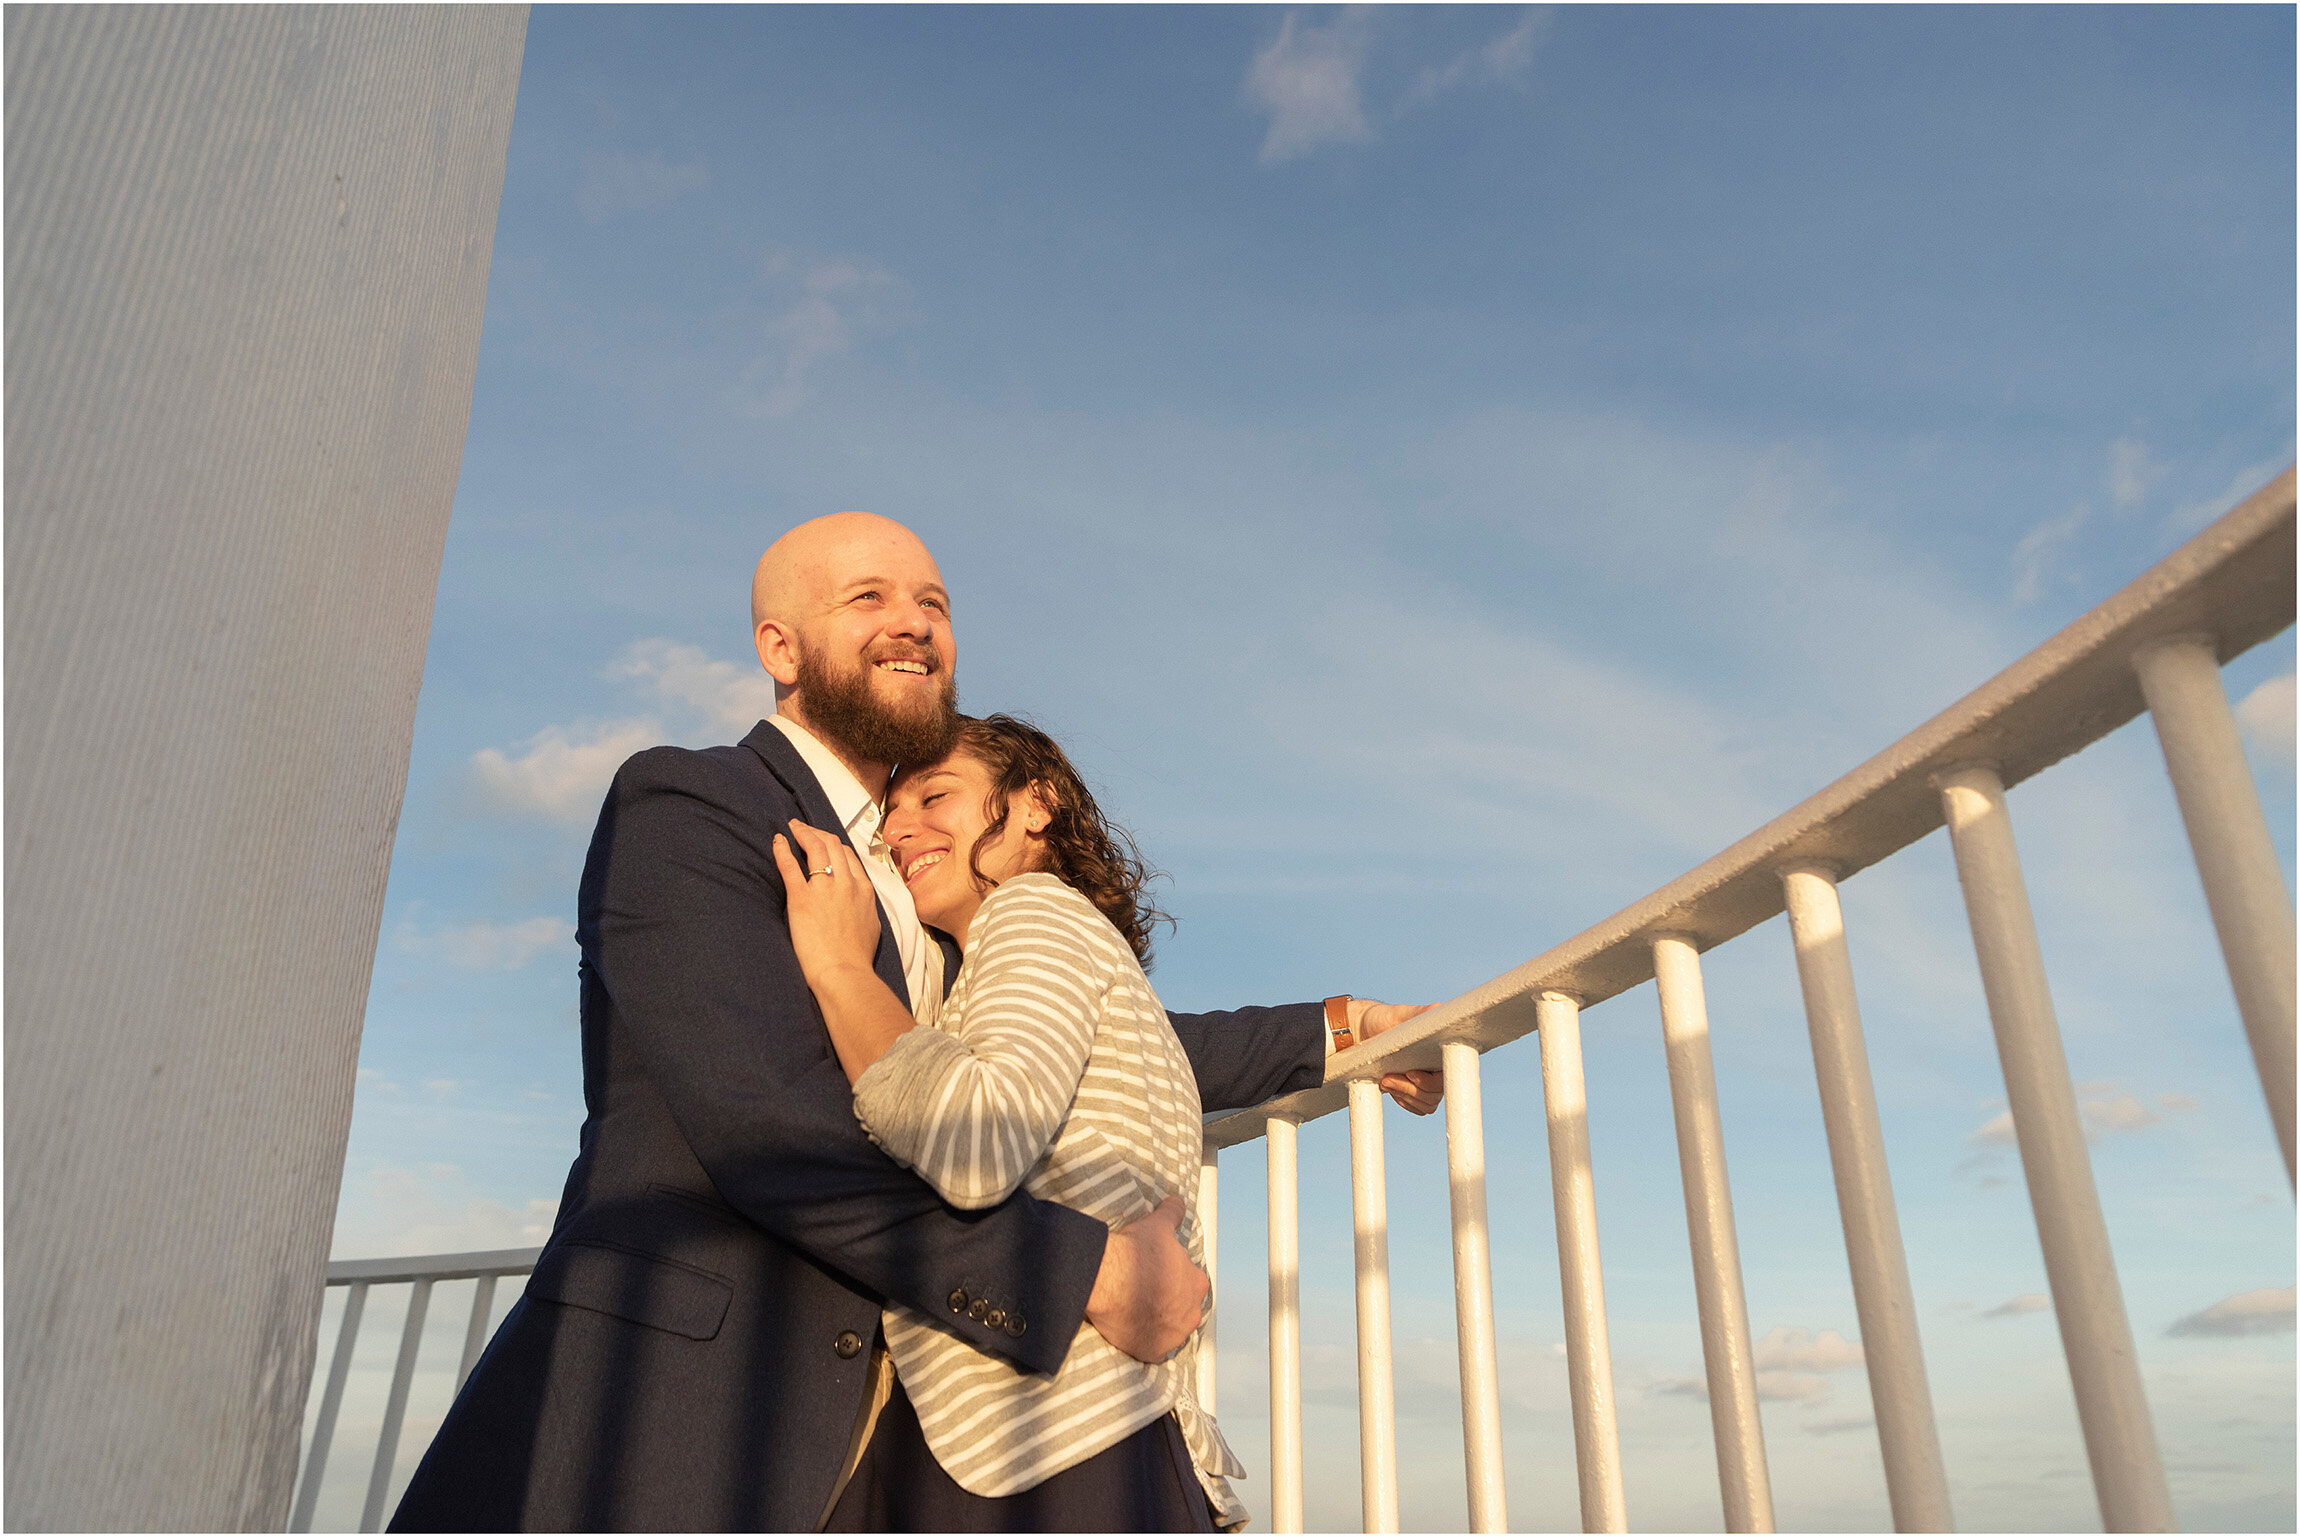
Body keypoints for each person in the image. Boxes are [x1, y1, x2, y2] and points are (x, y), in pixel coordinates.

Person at [390, 513, 1436, 1532]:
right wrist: (1080, 1272)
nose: (914, 620)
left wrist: (1344, 1032)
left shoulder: (937, 896)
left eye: (932, 601)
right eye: (868, 596)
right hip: (683, 1419)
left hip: (902, 1451)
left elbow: (1085, 1042)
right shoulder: (691, 803)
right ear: (779, 646)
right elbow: (769, 1127)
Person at [776, 715, 1253, 1529]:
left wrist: (838, 966)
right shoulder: (1025, 956)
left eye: (935, 793)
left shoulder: (1033, 911)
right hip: (1048, 1439)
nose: (897, 829)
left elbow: (975, 1136)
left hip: (1051, 1450)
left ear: (1037, 804)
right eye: (891, 811)